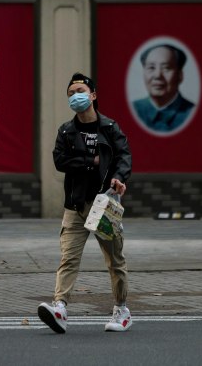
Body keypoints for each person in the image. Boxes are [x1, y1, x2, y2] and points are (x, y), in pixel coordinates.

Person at [38, 72, 133, 333]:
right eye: (70, 93)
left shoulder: (110, 128)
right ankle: (60, 307)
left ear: (93, 95)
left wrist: (118, 177)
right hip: (76, 206)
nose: (75, 96)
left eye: (80, 91)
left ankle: (121, 310)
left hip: (104, 205)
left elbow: (124, 156)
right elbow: (60, 161)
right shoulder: (67, 131)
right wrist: (89, 162)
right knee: (68, 259)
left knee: (115, 260)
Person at [132, 43, 195, 132]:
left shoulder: (192, 112)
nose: (157, 75)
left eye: (166, 68)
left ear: (180, 75)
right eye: (151, 67)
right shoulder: (134, 109)